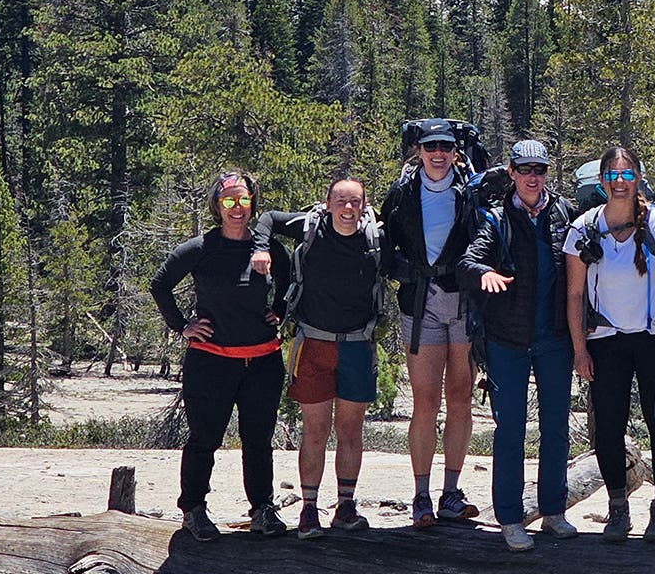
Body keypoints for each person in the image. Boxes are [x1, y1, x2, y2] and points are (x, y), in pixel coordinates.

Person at [149, 171, 291, 541]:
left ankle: (262, 508)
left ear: (252, 203)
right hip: (211, 360)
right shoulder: (199, 248)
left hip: (262, 360)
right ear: (217, 205)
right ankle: (193, 510)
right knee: (204, 438)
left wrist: (280, 309)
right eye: (229, 201)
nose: (237, 208)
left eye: (243, 200)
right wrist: (182, 325)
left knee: (258, 440)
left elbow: (291, 279)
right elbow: (160, 285)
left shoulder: (269, 249)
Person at [251, 176, 384, 539]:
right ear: (327, 204)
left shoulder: (375, 238)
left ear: (364, 205)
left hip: (358, 344)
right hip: (313, 344)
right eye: (340, 201)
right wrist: (260, 249)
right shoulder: (310, 228)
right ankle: (309, 509)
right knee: (315, 431)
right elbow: (267, 219)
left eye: (354, 202)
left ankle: (345, 505)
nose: (347, 208)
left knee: (350, 431)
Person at [460, 138, 577, 552]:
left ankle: (554, 511)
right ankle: (510, 517)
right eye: (525, 169)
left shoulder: (564, 214)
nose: (532, 177)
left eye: (539, 170)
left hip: (554, 339)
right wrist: (482, 274)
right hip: (507, 341)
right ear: (511, 173)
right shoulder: (496, 219)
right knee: (510, 430)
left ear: (547, 173)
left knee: (556, 429)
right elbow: (467, 262)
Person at [565, 144, 655, 541]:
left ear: (639, 179)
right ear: (601, 181)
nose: (620, 182)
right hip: (605, 339)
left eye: (627, 175)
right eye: (612, 175)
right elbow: (575, 296)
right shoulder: (583, 228)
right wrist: (580, 350)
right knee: (609, 427)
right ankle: (618, 508)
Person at [379, 119, 481, 529]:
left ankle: (451, 492)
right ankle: (421, 495)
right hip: (420, 304)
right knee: (424, 401)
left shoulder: (469, 189)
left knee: (460, 399)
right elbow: (384, 242)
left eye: (445, 146)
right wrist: (403, 270)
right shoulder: (402, 192)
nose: (438, 153)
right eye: (430, 146)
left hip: (463, 300)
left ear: (456, 151)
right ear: (418, 150)